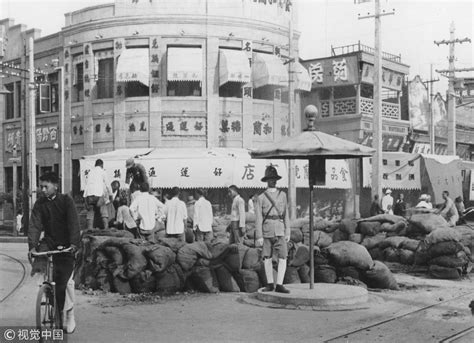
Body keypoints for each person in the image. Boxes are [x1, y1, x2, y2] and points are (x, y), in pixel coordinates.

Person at [28, 172, 80, 334]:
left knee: (66, 283)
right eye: (41, 186)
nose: (42, 190)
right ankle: (46, 291)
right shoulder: (40, 204)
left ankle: (69, 314)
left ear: (55, 186)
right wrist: (32, 246)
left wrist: (73, 243)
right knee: (40, 266)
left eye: (46, 186)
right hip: (49, 242)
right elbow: (35, 225)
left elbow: (73, 222)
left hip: (66, 244)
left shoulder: (66, 201)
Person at [255, 166, 290, 294]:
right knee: (267, 258)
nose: (273, 181)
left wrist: (288, 231)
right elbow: (258, 217)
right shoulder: (261, 197)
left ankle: (279, 284)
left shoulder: (283, 195)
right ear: (266, 180)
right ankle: (270, 284)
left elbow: (286, 214)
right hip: (267, 229)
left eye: (274, 179)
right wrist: (259, 236)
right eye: (270, 179)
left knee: (283, 257)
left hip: (280, 229)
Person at [83, 159, 112, 230]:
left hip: (89, 195)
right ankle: (106, 228)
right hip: (98, 194)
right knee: (103, 210)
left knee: (90, 211)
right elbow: (108, 185)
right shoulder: (103, 172)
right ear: (102, 165)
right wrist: (110, 194)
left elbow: (86, 185)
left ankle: (90, 228)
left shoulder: (90, 172)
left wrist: (84, 197)